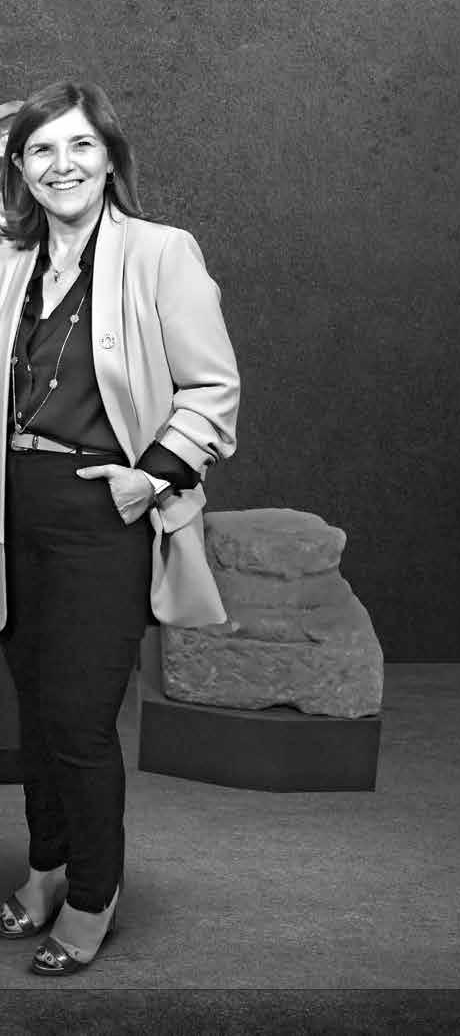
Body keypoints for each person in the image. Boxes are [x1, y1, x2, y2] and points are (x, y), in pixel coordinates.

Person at [0, 79, 240, 975]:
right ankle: (48, 866)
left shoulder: (160, 251)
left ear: (110, 159)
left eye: (81, 146)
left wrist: (152, 476)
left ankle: (93, 891)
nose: (61, 165)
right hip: (12, 510)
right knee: (33, 715)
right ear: (19, 166)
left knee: (78, 717)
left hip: (102, 511)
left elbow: (213, 388)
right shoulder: (11, 257)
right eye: (41, 149)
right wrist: (10, 133)